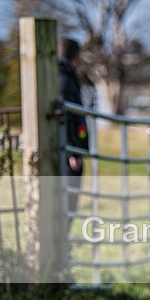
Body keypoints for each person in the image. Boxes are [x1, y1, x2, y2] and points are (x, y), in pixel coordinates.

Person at [58, 37, 88, 216]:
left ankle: (62, 240)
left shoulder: (64, 75)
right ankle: (62, 240)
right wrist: (74, 151)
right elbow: (68, 117)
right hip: (69, 152)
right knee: (69, 199)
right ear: (76, 55)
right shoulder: (65, 79)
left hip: (69, 149)